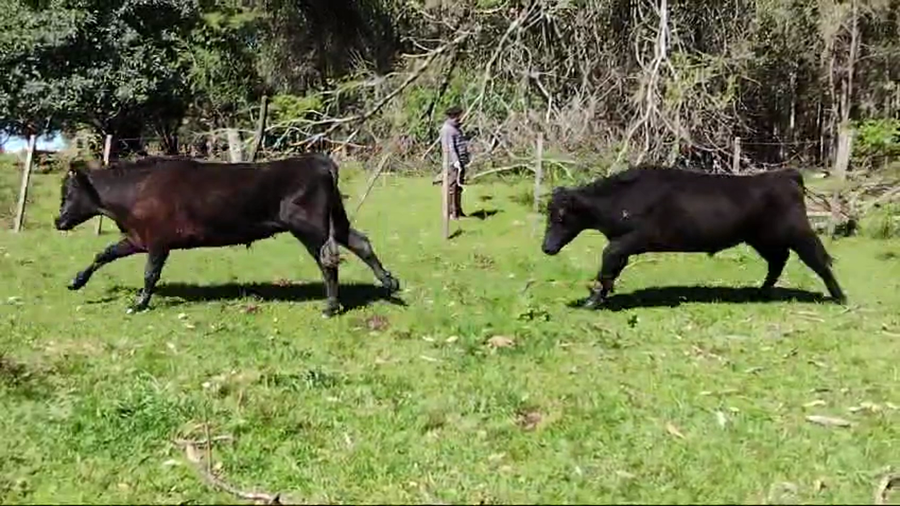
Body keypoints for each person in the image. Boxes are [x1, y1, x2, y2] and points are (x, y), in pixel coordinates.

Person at [439, 105, 469, 219]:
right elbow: (450, 147)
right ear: (452, 116)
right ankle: (451, 213)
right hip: (452, 164)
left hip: (460, 162)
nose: (460, 118)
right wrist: (456, 161)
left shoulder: (456, 128)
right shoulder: (447, 129)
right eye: (458, 116)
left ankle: (458, 210)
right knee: (452, 188)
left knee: (458, 187)